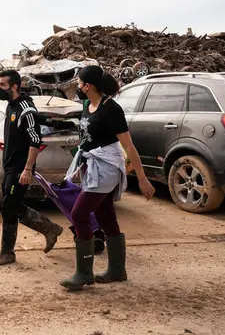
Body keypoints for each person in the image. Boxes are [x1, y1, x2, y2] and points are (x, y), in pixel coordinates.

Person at [60, 65, 155, 291]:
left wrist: (142, 179)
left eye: (79, 83)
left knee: (79, 214)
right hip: (92, 166)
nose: (77, 86)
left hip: (107, 167)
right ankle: (117, 270)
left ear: (88, 85)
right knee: (105, 215)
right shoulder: (87, 105)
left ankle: (84, 273)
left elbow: (129, 146)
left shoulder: (111, 109)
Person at [0, 70, 65, 266]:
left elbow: (35, 140)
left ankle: (11, 250)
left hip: (20, 168)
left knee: (10, 207)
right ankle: (47, 230)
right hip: (10, 166)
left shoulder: (26, 110)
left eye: (2, 85)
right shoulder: (10, 107)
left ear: (14, 87)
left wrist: (27, 169)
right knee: (10, 206)